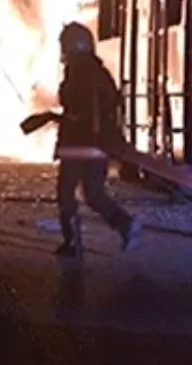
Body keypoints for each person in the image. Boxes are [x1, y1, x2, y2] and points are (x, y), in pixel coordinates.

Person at [54, 22, 141, 258]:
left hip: (78, 144)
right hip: (99, 145)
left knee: (65, 193)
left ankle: (72, 243)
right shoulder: (100, 72)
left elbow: (73, 105)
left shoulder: (77, 72)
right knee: (93, 194)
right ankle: (125, 224)